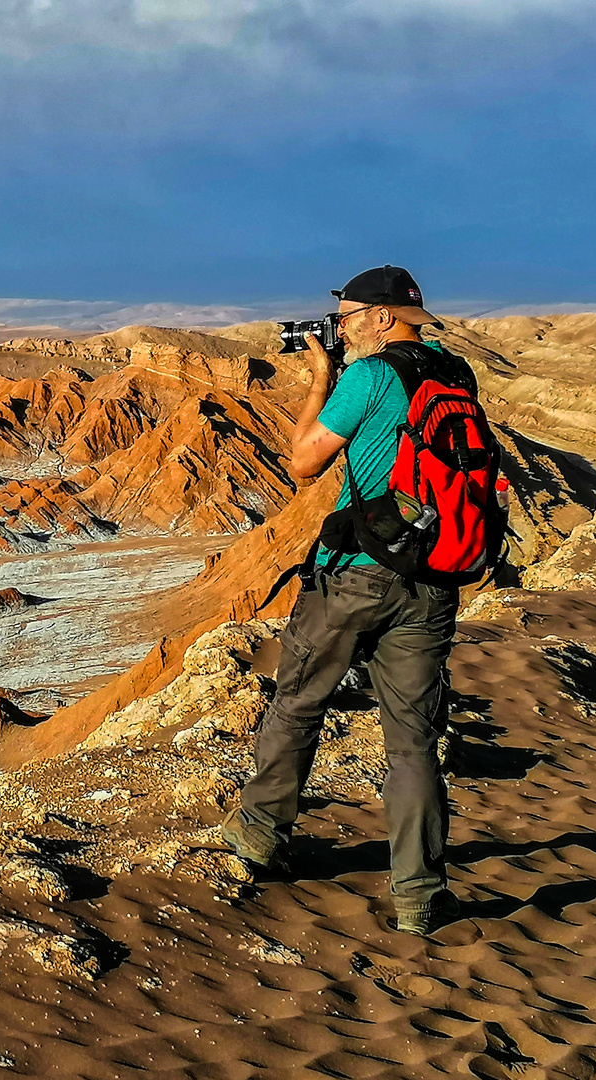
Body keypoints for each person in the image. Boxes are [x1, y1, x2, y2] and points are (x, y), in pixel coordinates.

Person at [222, 265, 464, 936]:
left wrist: (321, 375)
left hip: (359, 574)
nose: (345, 325)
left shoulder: (371, 375)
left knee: (299, 698)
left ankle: (260, 837)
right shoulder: (453, 372)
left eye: (352, 314)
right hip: (435, 577)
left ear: (385, 317)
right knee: (413, 741)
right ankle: (419, 894)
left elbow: (304, 462)